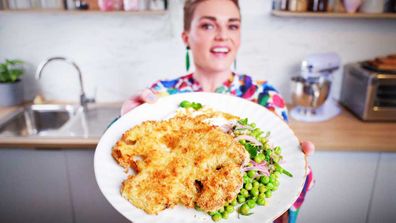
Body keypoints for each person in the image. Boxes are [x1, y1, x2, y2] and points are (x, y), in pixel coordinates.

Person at [120, 0, 314, 222]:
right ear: (186, 37)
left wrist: (302, 169)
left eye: (232, 26)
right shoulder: (161, 94)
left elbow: (284, 195)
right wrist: (124, 122)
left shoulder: (265, 96)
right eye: (208, 25)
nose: (223, 35)